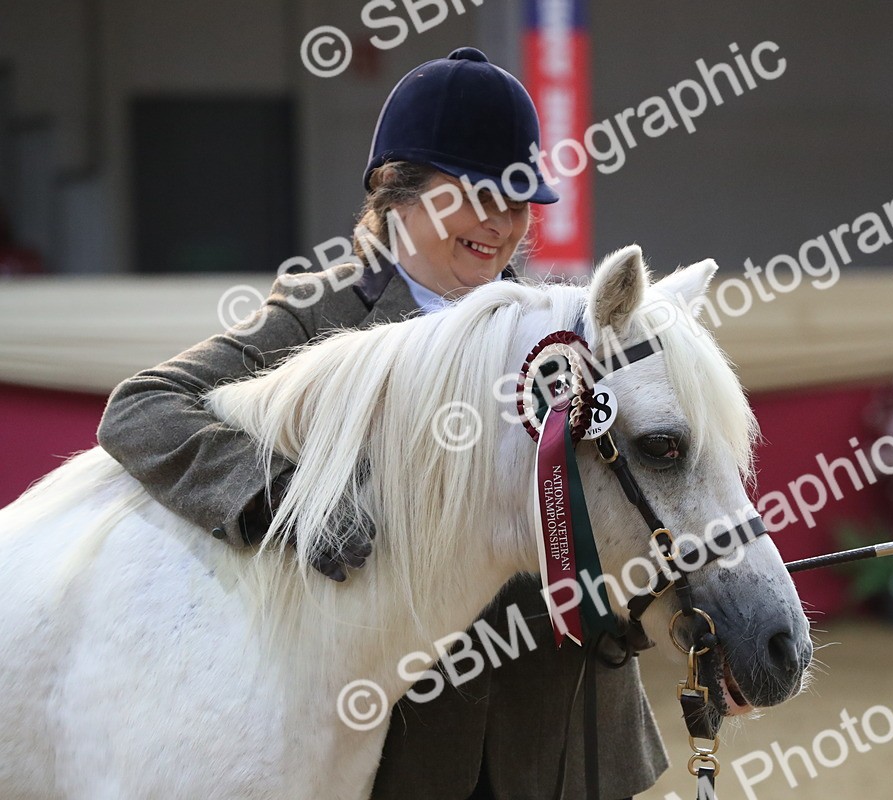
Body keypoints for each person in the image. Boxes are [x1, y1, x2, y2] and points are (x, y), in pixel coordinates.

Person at [97, 47, 667, 799]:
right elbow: (140, 409)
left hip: (563, 731)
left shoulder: (563, 333)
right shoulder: (317, 316)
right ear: (396, 191)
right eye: (474, 193)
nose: (501, 224)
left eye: (519, 198)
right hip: (408, 739)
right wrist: (286, 498)